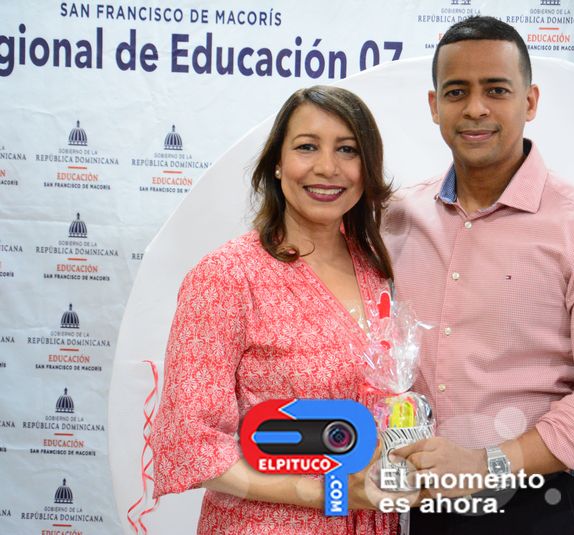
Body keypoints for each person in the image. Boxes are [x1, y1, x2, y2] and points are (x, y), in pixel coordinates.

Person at [385, 16, 574, 534]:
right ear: (434, 105)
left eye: (496, 90)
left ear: (529, 102)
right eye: (457, 92)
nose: (476, 108)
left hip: (544, 508)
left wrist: (488, 464)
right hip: (426, 508)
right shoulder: (396, 220)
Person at [151, 85, 397, 535]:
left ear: (367, 167)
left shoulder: (377, 269)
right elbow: (191, 441)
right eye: (307, 147)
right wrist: (332, 490)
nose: (328, 167)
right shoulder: (227, 275)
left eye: (347, 149)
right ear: (278, 163)